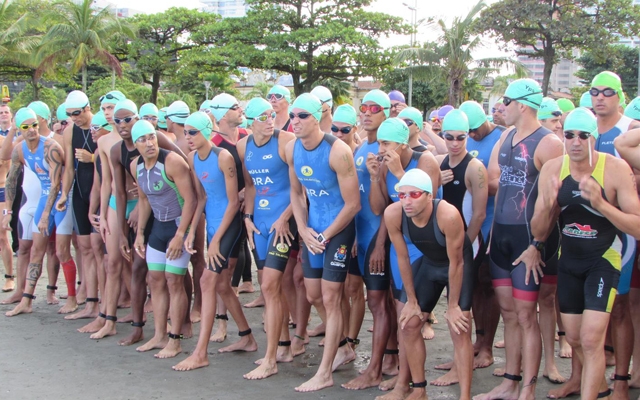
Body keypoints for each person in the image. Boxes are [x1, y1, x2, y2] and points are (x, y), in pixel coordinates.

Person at [518, 107, 640, 399]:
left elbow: (637, 225)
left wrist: (602, 205)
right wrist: (547, 204)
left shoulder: (614, 169)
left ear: (593, 139)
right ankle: (596, 385)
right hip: (569, 261)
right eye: (569, 134)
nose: (575, 141)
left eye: (583, 135)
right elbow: (537, 230)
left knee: (590, 338)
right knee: (573, 338)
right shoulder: (553, 168)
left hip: (605, 258)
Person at [476, 78, 564, 400]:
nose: (501, 107)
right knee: (509, 313)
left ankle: (527, 389)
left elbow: (552, 203)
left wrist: (536, 245)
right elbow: (493, 181)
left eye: (506, 101)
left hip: (528, 240)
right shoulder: (506, 137)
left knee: (527, 315)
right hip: (501, 237)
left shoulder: (549, 143)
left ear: (523, 104)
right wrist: (491, 237)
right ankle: (509, 381)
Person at [287, 93, 360, 392]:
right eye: (292, 115)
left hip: (338, 230)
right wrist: (303, 229)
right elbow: (296, 194)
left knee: (331, 297)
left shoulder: (337, 151)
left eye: (302, 116)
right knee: (314, 293)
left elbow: (353, 204)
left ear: (317, 117)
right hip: (313, 229)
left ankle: (324, 371)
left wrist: (326, 234)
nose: (295, 121)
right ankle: (343, 346)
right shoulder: (293, 149)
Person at [382, 168, 474, 400]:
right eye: (402, 195)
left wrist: (452, 305)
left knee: (459, 328)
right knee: (409, 324)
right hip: (429, 264)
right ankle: (419, 389)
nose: (407, 201)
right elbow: (403, 257)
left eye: (414, 195)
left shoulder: (448, 215)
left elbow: (457, 262)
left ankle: (465, 396)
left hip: (458, 265)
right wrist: (412, 301)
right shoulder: (393, 214)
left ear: (429, 195)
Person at [236, 98, 298, 379]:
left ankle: (270, 359)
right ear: (250, 121)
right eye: (263, 116)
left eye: (272, 114)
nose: (270, 119)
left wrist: (285, 217)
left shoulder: (286, 140)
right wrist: (247, 218)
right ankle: (283, 345)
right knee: (271, 286)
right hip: (259, 222)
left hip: (283, 221)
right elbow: (249, 185)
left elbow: (300, 189)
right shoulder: (243, 146)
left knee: (271, 285)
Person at [342, 91, 398, 391]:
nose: (366, 113)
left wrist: (379, 243)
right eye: (362, 108)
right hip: (361, 235)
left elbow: (389, 205)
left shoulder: (387, 150)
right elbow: (355, 197)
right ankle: (389, 357)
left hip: (380, 237)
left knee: (378, 301)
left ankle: (375, 370)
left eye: (374, 109)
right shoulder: (362, 147)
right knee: (378, 301)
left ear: (386, 113)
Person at [589, 71, 640, 400]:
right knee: (588, 310)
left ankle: (621, 379)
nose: (600, 97)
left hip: (622, 233)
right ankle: (591, 379)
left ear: (620, 96)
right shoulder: (584, 130)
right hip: (586, 233)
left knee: (622, 305)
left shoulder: (628, 130)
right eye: (595, 91)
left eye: (608, 92)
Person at [430, 109, 487, 387]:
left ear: (468, 136)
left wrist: (463, 245)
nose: (454, 143)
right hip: (445, 245)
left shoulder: (475, 167)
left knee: (462, 308)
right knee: (452, 305)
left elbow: (479, 214)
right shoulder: (439, 163)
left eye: (460, 138)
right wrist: (435, 183)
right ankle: (457, 359)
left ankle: (459, 367)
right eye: (449, 137)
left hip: (467, 246)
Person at [130, 120, 196, 359]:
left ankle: (175, 340)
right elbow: (145, 200)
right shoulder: (135, 166)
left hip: (179, 226)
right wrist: (140, 233)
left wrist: (181, 236)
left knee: (173, 281)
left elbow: (191, 200)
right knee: (155, 280)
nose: (149, 143)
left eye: (151, 137)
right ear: (134, 144)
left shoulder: (172, 162)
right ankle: (159, 335)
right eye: (143, 139)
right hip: (158, 227)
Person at [2, 107, 71, 317]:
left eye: (34, 125)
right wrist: (8, 211)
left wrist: (45, 215)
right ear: (19, 128)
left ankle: (74, 297)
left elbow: (56, 184)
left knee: (61, 251)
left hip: (61, 199)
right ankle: (26, 300)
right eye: (26, 126)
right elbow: (11, 182)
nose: (32, 130)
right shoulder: (19, 150)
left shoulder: (50, 147)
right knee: (35, 250)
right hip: (43, 197)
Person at [458, 100, 505, 368]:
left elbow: (502, 182)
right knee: (473, 283)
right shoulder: (466, 140)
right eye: (469, 132)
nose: (473, 135)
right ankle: (479, 339)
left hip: (490, 221)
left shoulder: (500, 138)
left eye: (475, 130)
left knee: (489, 284)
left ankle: (488, 346)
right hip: (468, 221)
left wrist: (479, 184)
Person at [206, 94, 254, 342]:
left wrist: (249, 191)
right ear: (223, 114)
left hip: (252, 210)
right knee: (222, 272)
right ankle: (222, 323)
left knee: (247, 267)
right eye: (236, 107)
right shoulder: (213, 143)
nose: (240, 109)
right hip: (226, 214)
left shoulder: (247, 136)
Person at [57, 92, 100, 320]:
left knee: (101, 250)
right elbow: (69, 168)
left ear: (87, 108)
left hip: (100, 195)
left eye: (77, 113)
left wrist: (91, 158)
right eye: (69, 114)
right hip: (80, 193)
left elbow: (111, 160)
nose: (74, 118)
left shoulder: (100, 125)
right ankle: (91, 302)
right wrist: (64, 194)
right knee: (85, 248)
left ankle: (105, 303)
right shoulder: (69, 131)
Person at [164, 100, 204, 326]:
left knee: (197, 257)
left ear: (170, 120)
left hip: (197, 205)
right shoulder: (172, 141)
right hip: (178, 208)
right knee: (180, 261)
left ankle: (198, 305)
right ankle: (187, 304)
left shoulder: (187, 142)